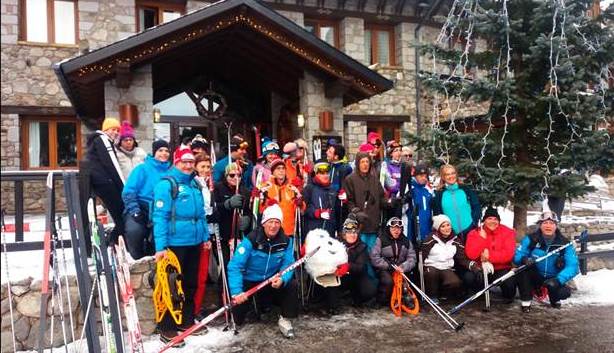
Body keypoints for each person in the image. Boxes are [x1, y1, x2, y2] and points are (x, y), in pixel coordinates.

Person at [152, 147, 210, 343]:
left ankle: (185, 321)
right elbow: (159, 217)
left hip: (194, 243)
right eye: (183, 162)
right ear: (176, 163)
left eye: (190, 162)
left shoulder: (194, 184)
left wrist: (205, 238)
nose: (187, 166)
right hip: (174, 245)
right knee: (171, 286)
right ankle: (166, 327)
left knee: (190, 284)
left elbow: (201, 214)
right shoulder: (166, 184)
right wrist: (160, 248)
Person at [228, 203, 298, 338]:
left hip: (270, 280)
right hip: (250, 280)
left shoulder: (286, 241)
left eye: (277, 222)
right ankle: (240, 317)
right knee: (238, 316)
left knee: (292, 285)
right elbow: (234, 266)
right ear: (264, 223)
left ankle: (285, 319)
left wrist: (282, 279)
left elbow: (288, 264)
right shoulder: (251, 240)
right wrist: (237, 292)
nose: (273, 226)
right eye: (270, 222)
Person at [514, 211, 579, 313]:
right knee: (523, 271)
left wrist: (558, 280)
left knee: (564, 292)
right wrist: (524, 259)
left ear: (556, 226)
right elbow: (518, 255)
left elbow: (573, 266)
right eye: (545, 223)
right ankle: (526, 301)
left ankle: (554, 298)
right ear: (540, 225)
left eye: (552, 223)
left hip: (553, 278)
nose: (548, 226)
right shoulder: (531, 239)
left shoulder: (565, 244)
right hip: (536, 275)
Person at [121, 139, 171, 259]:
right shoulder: (142, 169)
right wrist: (135, 211)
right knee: (135, 231)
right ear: (154, 152)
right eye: (160, 150)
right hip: (141, 207)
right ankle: (136, 259)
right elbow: (128, 191)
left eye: (166, 151)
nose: (164, 153)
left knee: (160, 236)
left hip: (162, 209)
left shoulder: (172, 171)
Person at [464, 207, 517, 303]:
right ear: (484, 220)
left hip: (501, 268)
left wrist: (489, 256)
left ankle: (505, 293)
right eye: (489, 219)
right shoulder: (474, 233)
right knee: (469, 278)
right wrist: (481, 239)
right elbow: (471, 254)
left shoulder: (507, 232)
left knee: (509, 291)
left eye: (495, 219)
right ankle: (479, 292)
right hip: (481, 268)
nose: (493, 221)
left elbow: (508, 254)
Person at [86, 117, 125, 243]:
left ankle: (111, 240)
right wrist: (123, 187)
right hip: (106, 183)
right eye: (113, 129)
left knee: (119, 216)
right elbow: (112, 164)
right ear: (106, 130)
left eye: (118, 130)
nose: (116, 132)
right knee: (121, 214)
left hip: (101, 183)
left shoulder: (97, 141)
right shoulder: (103, 139)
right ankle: (112, 241)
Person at [343, 151, 391, 253]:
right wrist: (356, 213)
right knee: (361, 253)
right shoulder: (350, 179)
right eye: (362, 162)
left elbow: (381, 197)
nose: (365, 164)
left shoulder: (374, 179)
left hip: (373, 223)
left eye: (367, 162)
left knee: (373, 253)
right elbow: (349, 201)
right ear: (357, 163)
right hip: (359, 224)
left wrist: (390, 203)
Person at [210, 162, 252, 278]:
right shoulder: (218, 188)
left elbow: (249, 210)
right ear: (226, 175)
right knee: (226, 265)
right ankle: (224, 291)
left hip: (239, 235)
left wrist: (247, 219)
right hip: (223, 234)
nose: (235, 178)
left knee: (239, 265)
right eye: (232, 175)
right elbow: (212, 210)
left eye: (238, 175)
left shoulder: (245, 191)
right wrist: (226, 204)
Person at [422, 215, 469, 303]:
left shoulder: (455, 240)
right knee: (431, 274)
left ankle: (443, 294)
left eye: (448, 225)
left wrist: (473, 266)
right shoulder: (430, 239)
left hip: (446, 267)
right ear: (438, 228)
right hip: (431, 266)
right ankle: (432, 295)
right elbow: (422, 256)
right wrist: (422, 268)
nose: (446, 228)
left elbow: (462, 258)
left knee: (455, 282)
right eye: (443, 226)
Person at [370, 217, 416, 305]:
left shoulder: (406, 241)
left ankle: (403, 299)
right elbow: (374, 257)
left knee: (405, 284)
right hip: (385, 268)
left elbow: (412, 258)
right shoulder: (381, 239)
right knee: (388, 281)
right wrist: (388, 266)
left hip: (401, 269)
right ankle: (383, 300)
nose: (396, 231)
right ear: (388, 229)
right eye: (393, 228)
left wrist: (403, 267)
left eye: (398, 228)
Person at [432, 164, 481, 242]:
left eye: (453, 173)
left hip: (470, 231)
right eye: (447, 174)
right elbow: (438, 215)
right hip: (451, 236)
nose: (451, 176)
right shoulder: (439, 195)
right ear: (443, 177)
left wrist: (474, 222)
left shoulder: (466, 190)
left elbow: (476, 206)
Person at [193, 153, 215, 318]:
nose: (206, 170)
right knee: (196, 274)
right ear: (196, 167)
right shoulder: (194, 184)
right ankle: (193, 309)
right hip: (198, 233)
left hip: (210, 231)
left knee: (203, 274)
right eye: (202, 166)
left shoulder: (209, 183)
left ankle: (197, 307)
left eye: (208, 167)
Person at [260, 159, 303, 238]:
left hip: (289, 231)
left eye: (283, 168)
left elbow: (301, 210)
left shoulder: (292, 187)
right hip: (272, 231)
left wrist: (300, 203)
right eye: (278, 168)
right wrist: (261, 199)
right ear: (272, 171)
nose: (281, 171)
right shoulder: (265, 187)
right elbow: (260, 210)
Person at [339, 217, 377, 307]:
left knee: (369, 290)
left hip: (354, 276)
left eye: (354, 232)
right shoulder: (336, 243)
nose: (352, 235)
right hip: (339, 276)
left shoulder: (362, 246)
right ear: (344, 234)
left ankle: (355, 295)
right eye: (349, 232)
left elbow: (362, 267)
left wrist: (348, 266)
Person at [326, 144, 352, 234]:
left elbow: (347, 188)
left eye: (330, 152)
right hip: (329, 205)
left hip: (339, 206)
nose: (327, 153)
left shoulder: (345, 168)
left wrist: (344, 193)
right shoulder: (329, 167)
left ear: (336, 156)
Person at [404, 164, 433, 243]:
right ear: (415, 176)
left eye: (425, 176)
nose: (424, 178)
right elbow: (401, 208)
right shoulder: (409, 187)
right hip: (412, 226)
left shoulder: (428, 190)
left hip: (427, 225)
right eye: (421, 176)